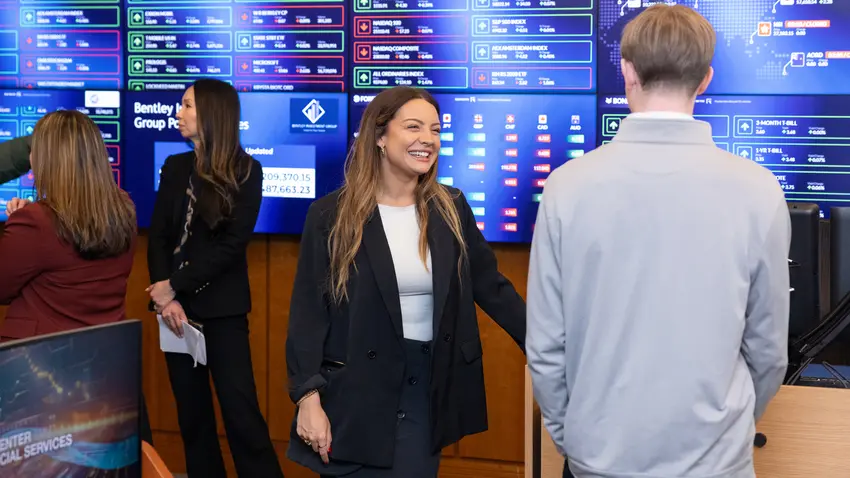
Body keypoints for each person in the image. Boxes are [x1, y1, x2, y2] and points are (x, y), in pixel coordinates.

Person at [527, 5, 790, 478]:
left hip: (597, 460)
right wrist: (726, 433)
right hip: (716, 464)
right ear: (706, 78)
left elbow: (547, 346)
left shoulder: (567, 186)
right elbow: (768, 349)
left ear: (626, 69)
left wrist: (579, 441)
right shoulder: (759, 189)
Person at [286, 85, 526, 477]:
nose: (427, 139)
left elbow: (491, 286)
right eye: (414, 127)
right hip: (353, 398)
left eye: (435, 129)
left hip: (422, 391)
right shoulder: (330, 216)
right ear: (380, 137)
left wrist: (548, 347)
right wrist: (307, 398)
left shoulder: (451, 208)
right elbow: (308, 317)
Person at [146, 78, 283, 478]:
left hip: (222, 312)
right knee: (193, 420)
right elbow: (158, 238)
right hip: (173, 314)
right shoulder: (175, 167)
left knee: (241, 415)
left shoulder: (246, 171)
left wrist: (176, 284)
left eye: (187, 105)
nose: (179, 113)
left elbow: (230, 247)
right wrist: (164, 296)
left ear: (212, 112)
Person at [0, 110, 136, 338]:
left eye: (33, 149)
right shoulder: (123, 207)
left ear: (47, 158)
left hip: (38, 361)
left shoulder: (35, 222)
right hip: (104, 354)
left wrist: (21, 224)